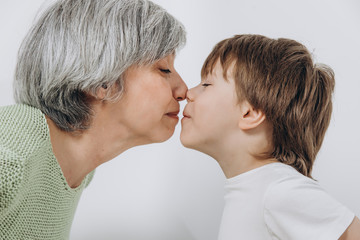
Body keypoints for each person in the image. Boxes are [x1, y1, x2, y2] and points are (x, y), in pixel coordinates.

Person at [0, 0, 187, 239]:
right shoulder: (12, 154)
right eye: (164, 69)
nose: (182, 90)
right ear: (102, 82)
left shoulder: (76, 170)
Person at [180, 34, 360, 239]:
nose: (188, 92)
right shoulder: (259, 189)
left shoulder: (280, 190)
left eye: (206, 84)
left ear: (250, 113)